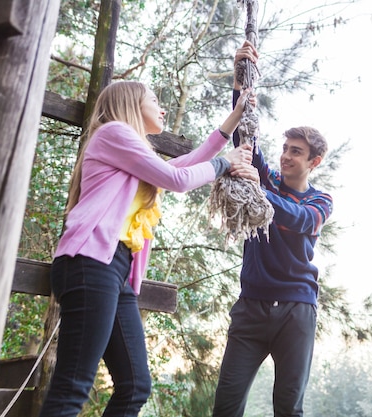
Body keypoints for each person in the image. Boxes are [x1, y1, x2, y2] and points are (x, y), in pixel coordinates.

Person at [38, 80, 257, 417]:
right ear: (130, 104)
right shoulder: (114, 133)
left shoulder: (131, 152)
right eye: (155, 100)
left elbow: (182, 165)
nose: (163, 107)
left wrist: (234, 117)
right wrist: (224, 164)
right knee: (72, 387)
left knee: (135, 386)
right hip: (89, 263)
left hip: (116, 273)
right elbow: (178, 180)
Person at [212, 41, 333, 417]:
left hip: (296, 311)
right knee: (226, 407)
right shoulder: (272, 179)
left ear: (314, 160)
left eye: (296, 151)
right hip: (250, 308)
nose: (285, 155)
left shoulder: (321, 202)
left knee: (288, 409)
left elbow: (298, 221)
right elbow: (244, 138)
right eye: (285, 148)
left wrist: (259, 191)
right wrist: (240, 74)